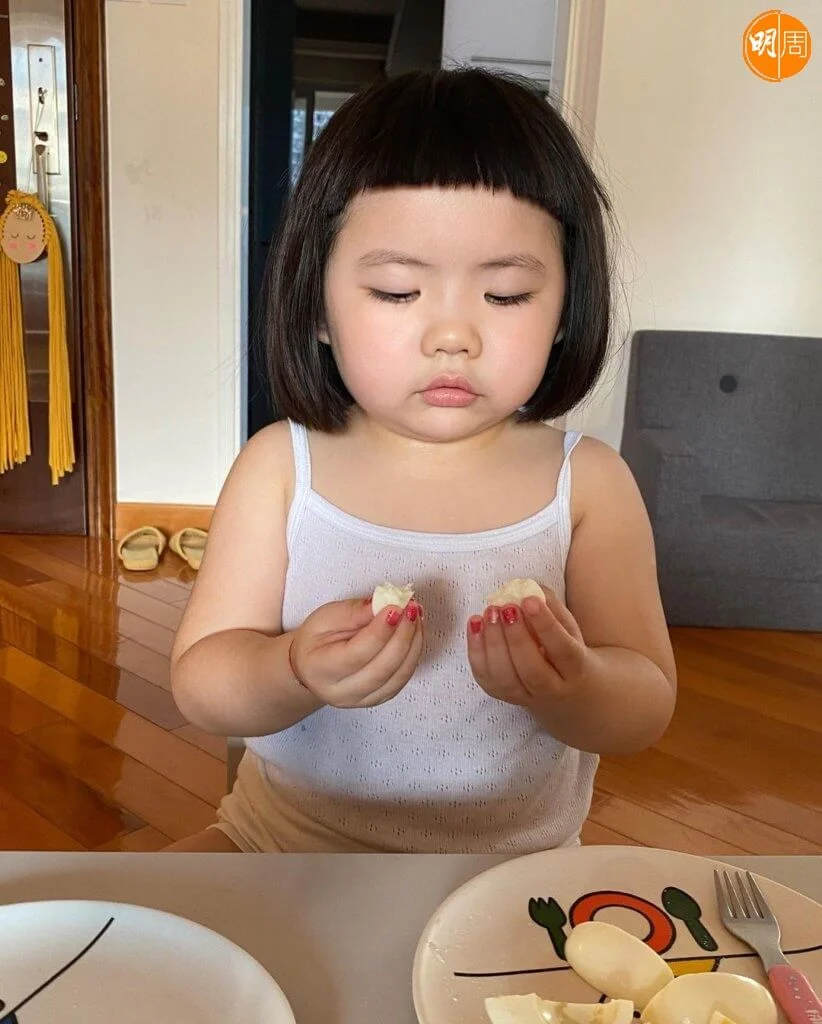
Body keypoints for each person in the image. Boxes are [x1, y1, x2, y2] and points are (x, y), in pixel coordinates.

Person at [168, 68, 676, 853]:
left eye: (505, 296)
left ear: (566, 310)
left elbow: (644, 708)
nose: (452, 336)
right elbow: (203, 685)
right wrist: (293, 669)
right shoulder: (281, 468)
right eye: (397, 291)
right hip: (279, 844)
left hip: (515, 868)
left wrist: (574, 686)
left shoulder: (587, 486)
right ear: (318, 306)